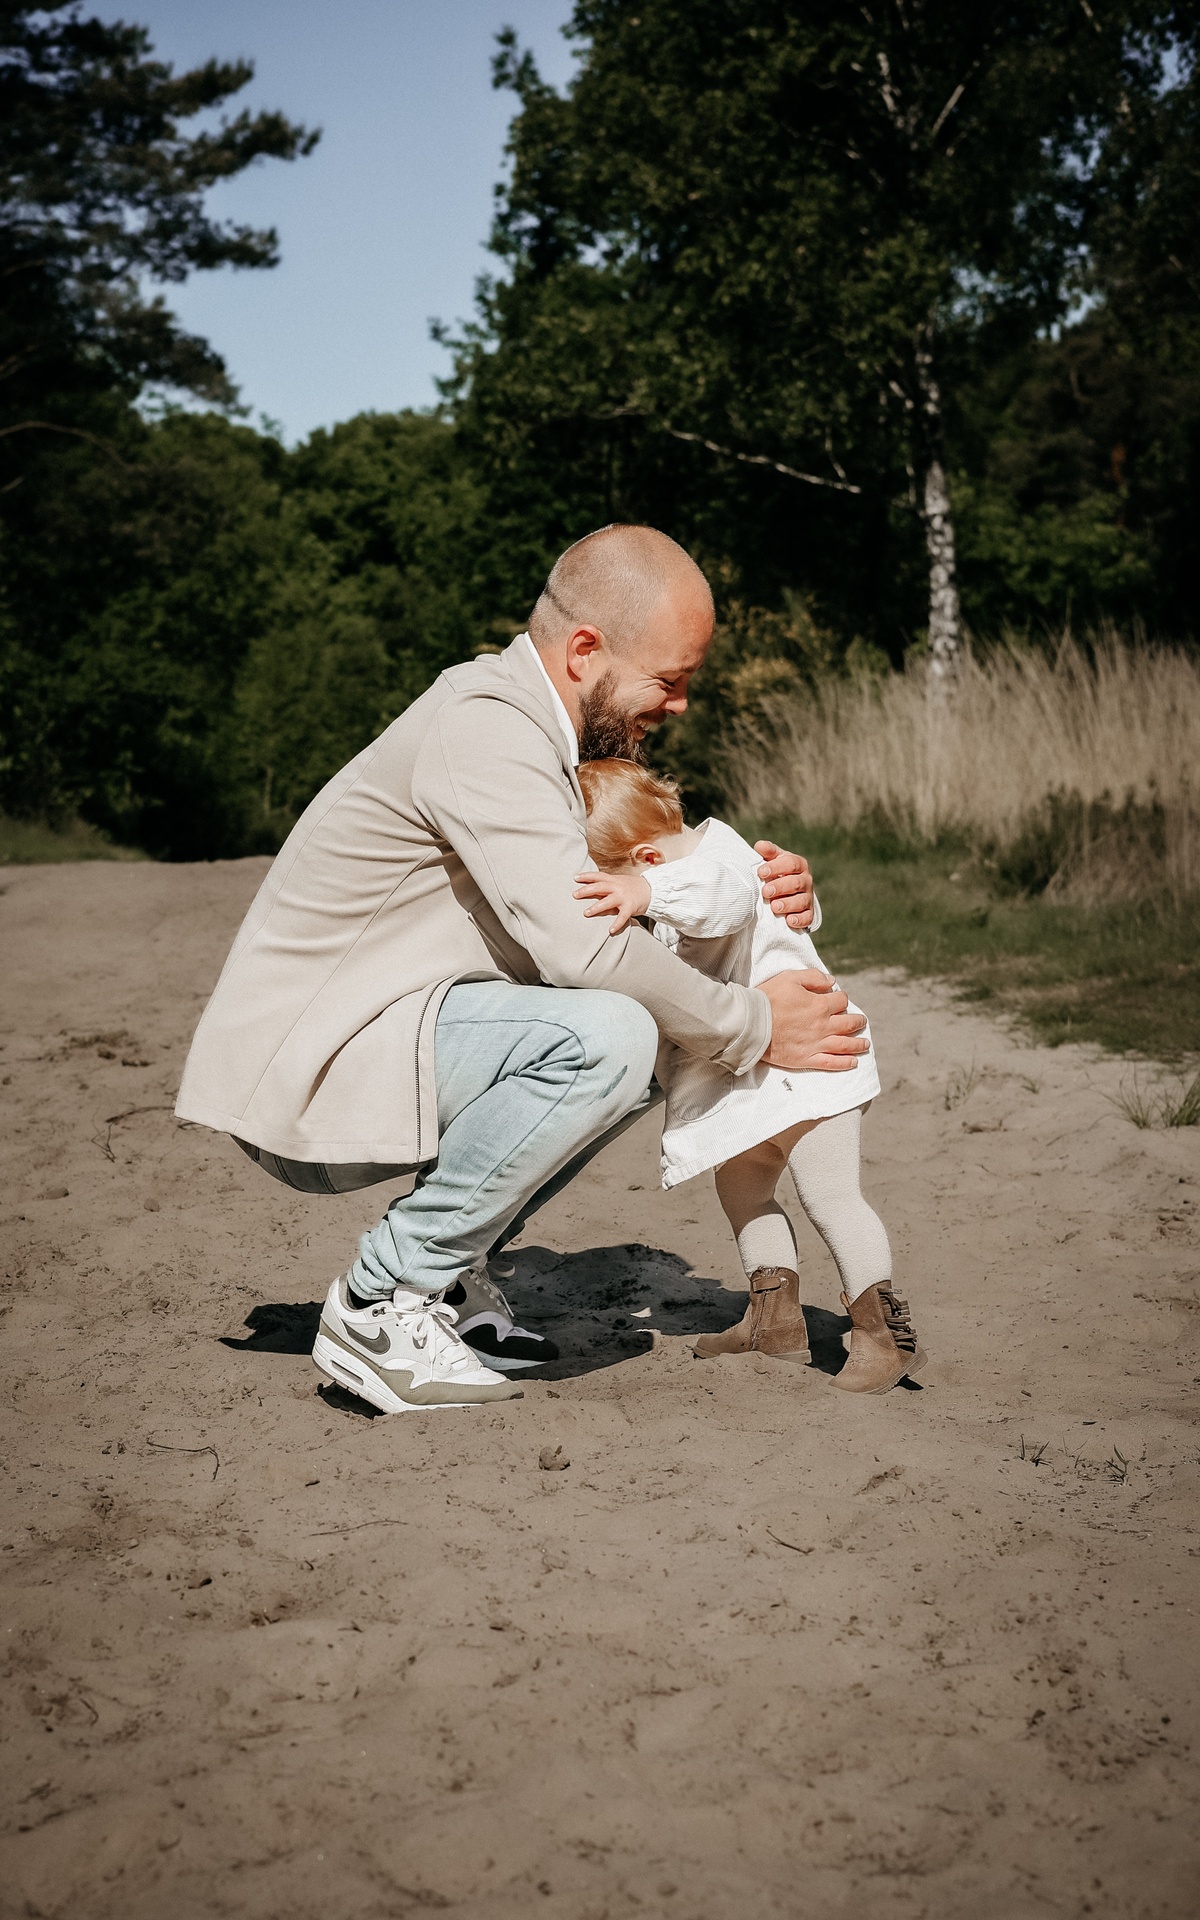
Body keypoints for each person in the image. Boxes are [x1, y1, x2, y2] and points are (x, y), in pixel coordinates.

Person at [175, 524, 871, 1415]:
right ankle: (383, 1299)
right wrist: (759, 1026)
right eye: (671, 679)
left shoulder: (533, 731)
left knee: (646, 1016)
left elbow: (631, 895)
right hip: (315, 1066)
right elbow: (589, 952)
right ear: (586, 650)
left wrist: (761, 891)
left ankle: (452, 1274)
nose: (682, 704)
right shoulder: (486, 726)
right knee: (619, 1028)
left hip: (393, 1039)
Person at [573, 758, 924, 1393]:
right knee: (743, 1189)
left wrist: (645, 896)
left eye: (612, 879)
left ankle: (881, 1330)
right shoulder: (687, 867)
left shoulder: (711, 865)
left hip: (813, 1063)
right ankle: (774, 1318)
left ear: (648, 859)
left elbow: (722, 902)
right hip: (755, 1075)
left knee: (831, 1196)